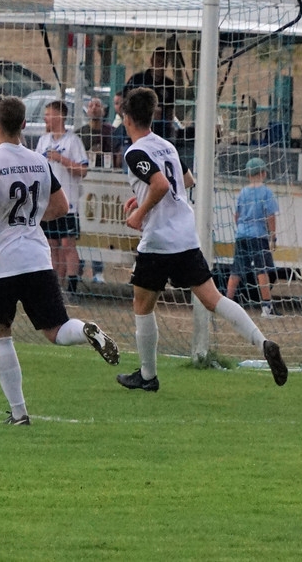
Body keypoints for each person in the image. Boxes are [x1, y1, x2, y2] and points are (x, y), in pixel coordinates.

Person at [0, 96, 119, 425]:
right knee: (56, 329)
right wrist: (29, 218)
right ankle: (85, 329)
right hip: (35, 257)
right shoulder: (40, 161)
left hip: (0, 262)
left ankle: (19, 413)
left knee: (1, 332)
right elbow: (61, 207)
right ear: (23, 125)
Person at [115, 87, 288, 391]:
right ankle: (262, 342)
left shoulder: (135, 152)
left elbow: (160, 185)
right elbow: (187, 180)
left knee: (142, 305)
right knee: (213, 299)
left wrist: (140, 213)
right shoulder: (166, 145)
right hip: (185, 236)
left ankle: (147, 375)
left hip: (159, 240)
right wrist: (141, 196)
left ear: (127, 118)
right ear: (151, 116)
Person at [35, 100, 88, 296]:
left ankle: (72, 286)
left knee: (67, 244)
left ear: (60, 116)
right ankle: (55, 286)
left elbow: (83, 170)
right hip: (48, 204)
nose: (45, 118)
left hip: (68, 203)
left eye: (48, 114)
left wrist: (62, 160)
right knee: (51, 245)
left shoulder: (73, 141)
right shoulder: (43, 141)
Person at [225, 157, 281, 317]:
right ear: (263, 173)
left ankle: (226, 303)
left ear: (248, 175)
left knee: (236, 270)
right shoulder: (266, 192)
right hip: (258, 236)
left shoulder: (243, 192)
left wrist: (241, 228)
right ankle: (266, 307)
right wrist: (273, 236)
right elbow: (270, 215)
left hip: (242, 235)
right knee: (262, 271)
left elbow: (237, 215)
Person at [76, 96, 113, 284]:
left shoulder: (111, 132)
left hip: (104, 185)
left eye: (97, 105)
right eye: (91, 105)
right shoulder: (80, 134)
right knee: (82, 229)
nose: (94, 108)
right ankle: (79, 269)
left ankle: (98, 271)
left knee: (99, 228)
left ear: (103, 110)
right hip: (84, 186)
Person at [123, 46, 177, 139]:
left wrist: (168, 126)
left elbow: (170, 111)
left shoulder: (169, 85)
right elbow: (124, 102)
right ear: (152, 61)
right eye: (158, 62)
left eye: (164, 63)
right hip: (138, 129)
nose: (161, 66)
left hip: (160, 131)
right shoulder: (138, 80)